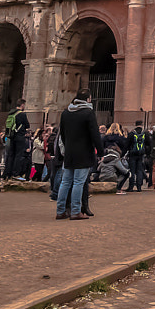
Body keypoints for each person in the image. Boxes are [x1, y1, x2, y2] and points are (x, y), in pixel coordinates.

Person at [55, 91, 101, 220]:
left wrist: (67, 147)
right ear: (87, 99)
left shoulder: (66, 113)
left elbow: (62, 134)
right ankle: (75, 211)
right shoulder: (88, 113)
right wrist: (100, 151)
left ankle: (60, 210)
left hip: (69, 152)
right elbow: (95, 134)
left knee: (65, 182)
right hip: (84, 152)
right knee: (78, 182)